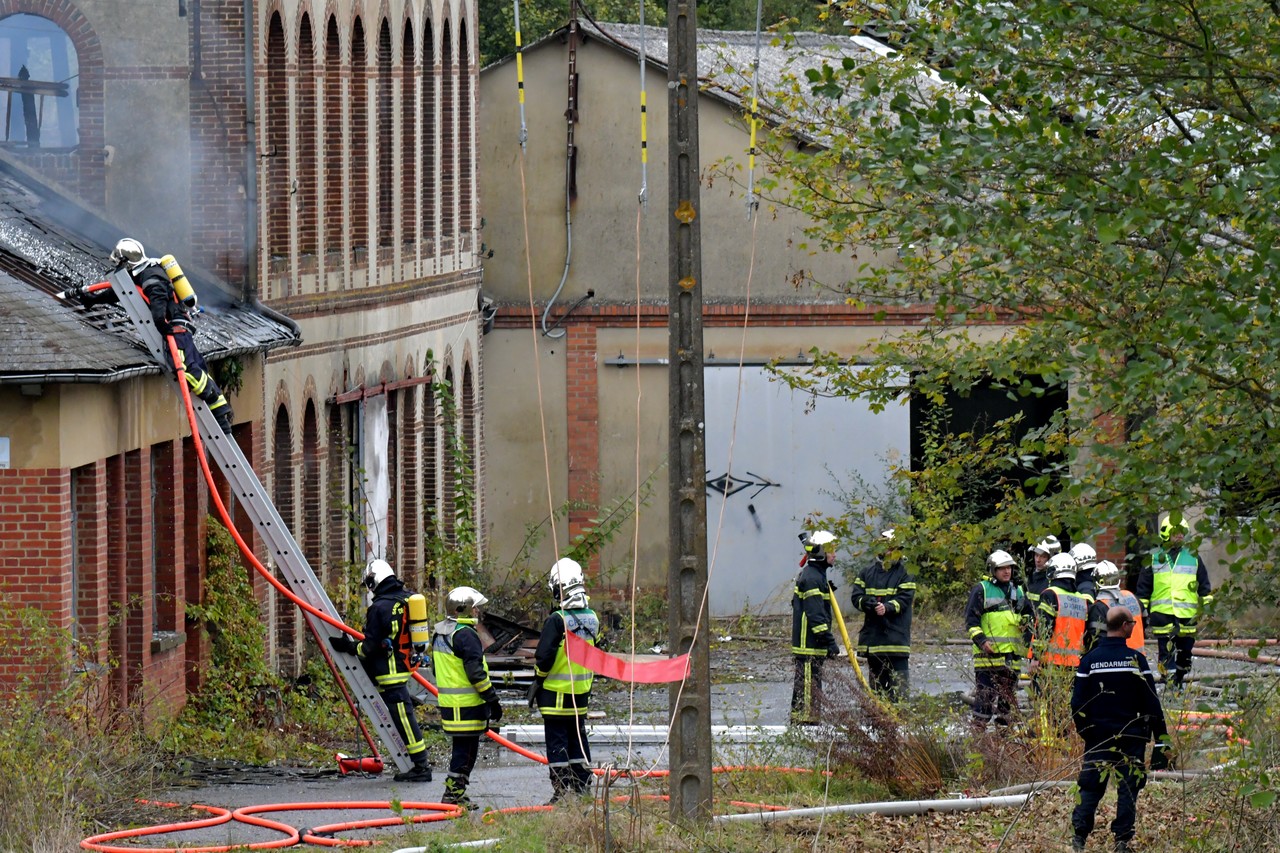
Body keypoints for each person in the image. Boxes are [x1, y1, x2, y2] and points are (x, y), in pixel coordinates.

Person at [62, 237, 234, 433]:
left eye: (120, 263)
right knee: (197, 366)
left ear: (127, 261)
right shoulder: (143, 273)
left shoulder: (151, 277)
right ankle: (222, 412)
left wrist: (161, 323)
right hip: (180, 328)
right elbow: (122, 292)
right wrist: (93, 300)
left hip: (175, 329)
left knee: (183, 367)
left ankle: (215, 406)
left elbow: (158, 298)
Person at [1070, 606, 1171, 853]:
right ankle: (1122, 841)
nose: (1134, 628)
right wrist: (1161, 740)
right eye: (1133, 624)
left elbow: (1077, 704)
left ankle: (1078, 839)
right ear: (1125, 626)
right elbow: (1151, 701)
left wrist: (1088, 732)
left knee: (1091, 786)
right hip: (1132, 735)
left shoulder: (1089, 661)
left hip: (1099, 738)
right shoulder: (1136, 660)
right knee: (1128, 788)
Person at [329, 558, 433, 782]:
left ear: (374, 581)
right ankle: (419, 763)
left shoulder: (379, 607)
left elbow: (368, 648)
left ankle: (421, 766)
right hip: (403, 666)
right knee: (403, 717)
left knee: (404, 719)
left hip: (389, 672)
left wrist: (347, 646)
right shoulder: (406, 599)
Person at [529, 557, 600, 803]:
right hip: (580, 693)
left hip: (555, 693)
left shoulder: (556, 620)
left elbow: (544, 656)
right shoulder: (592, 617)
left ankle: (560, 790)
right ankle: (582, 786)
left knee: (557, 741)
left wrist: (537, 680)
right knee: (578, 738)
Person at [431, 586, 501, 808]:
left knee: (461, 749)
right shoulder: (466, 635)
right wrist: (492, 699)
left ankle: (455, 793)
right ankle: (453, 795)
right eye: (474, 609)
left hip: (449, 704)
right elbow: (476, 673)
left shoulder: (441, 633)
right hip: (468, 705)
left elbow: (435, 670)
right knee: (466, 752)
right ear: (463, 610)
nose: (477, 613)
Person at [1136, 513, 1214, 689]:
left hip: (1187, 616)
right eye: (1176, 532)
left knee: (1185, 653)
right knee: (1166, 652)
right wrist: (1141, 613)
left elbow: (1204, 586)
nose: (1180, 535)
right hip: (1163, 615)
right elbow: (1143, 589)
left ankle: (1178, 678)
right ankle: (1170, 685)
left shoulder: (1193, 557)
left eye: (1182, 532)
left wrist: (1208, 609)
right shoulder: (1154, 558)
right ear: (1166, 533)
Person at [964, 550, 1031, 730]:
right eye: (1002, 568)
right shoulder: (982, 589)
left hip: (1012, 657)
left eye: (1009, 567)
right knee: (984, 700)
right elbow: (971, 620)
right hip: (989, 657)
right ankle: (978, 739)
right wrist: (982, 641)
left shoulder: (1018, 590)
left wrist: (1026, 626)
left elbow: (1028, 616)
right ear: (993, 569)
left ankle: (1003, 741)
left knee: (1007, 705)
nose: (1006, 571)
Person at [850, 529, 916, 702]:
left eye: (895, 549)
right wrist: (867, 603)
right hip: (874, 641)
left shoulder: (905, 573)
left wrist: (887, 608)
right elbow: (856, 597)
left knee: (900, 692)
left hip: (896, 643)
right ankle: (879, 724)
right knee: (877, 692)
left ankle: (901, 724)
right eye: (888, 548)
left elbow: (905, 599)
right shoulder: (867, 572)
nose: (891, 552)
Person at [791, 530, 840, 724]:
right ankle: (806, 727)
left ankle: (804, 723)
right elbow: (815, 615)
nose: (834, 554)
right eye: (831, 550)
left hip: (811, 644)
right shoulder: (812, 577)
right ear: (820, 553)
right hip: (809, 644)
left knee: (808, 686)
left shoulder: (815, 575)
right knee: (809, 689)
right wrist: (829, 642)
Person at [1086, 560, 1145, 652]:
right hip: (1138, 658)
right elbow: (1145, 621)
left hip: (1115, 660)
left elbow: (1097, 639)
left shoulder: (1098, 607)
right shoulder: (1132, 597)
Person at [1024, 535, 1061, 608]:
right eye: (1036, 555)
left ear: (1052, 558)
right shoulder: (1031, 577)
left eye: (1043, 556)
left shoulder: (1054, 582)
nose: (1038, 560)